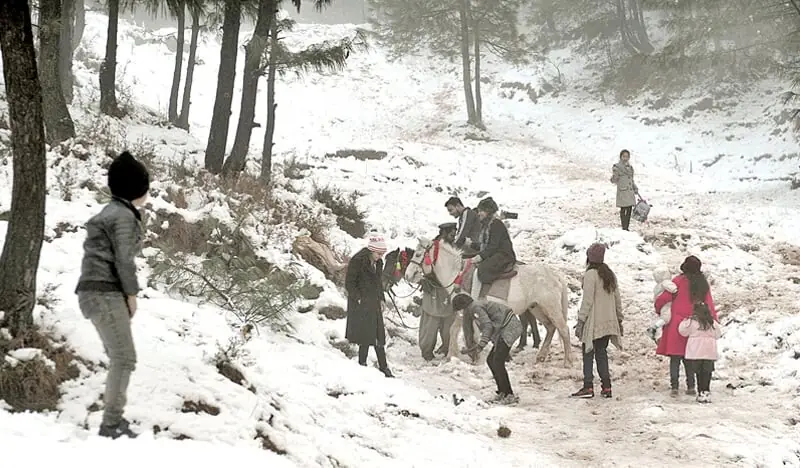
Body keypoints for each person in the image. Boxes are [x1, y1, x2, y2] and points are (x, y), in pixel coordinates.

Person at [75, 151, 149, 439]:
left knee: (120, 357)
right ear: (136, 188)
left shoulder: (111, 212)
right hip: (104, 292)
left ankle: (112, 419)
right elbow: (124, 260)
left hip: (95, 292)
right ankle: (111, 425)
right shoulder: (123, 216)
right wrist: (131, 295)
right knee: (124, 358)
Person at [654, 255, 717, 396]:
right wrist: (713, 321)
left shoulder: (677, 281)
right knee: (690, 357)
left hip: (676, 325)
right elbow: (709, 303)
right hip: (695, 323)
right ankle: (691, 386)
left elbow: (663, 299)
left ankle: (675, 386)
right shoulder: (702, 284)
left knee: (675, 358)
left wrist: (660, 311)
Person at [571, 243, 624, 399]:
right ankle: (606, 387)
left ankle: (588, 387)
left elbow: (587, 301)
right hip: (608, 322)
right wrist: (619, 319)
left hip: (594, 322)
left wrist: (581, 321)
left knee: (588, 353)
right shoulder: (609, 274)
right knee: (602, 353)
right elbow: (617, 299)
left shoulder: (590, 275)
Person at [452, 293, 522, 404]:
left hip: (509, 327)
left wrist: (481, 345)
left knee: (498, 361)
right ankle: (502, 392)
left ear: (463, 307)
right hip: (505, 328)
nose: (460, 314)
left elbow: (488, 325)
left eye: (459, 310)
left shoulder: (475, 308)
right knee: (491, 360)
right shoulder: (474, 306)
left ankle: (509, 394)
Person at [345, 235, 394, 378]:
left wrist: (382, 299)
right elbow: (350, 283)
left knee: (379, 336)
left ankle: (384, 366)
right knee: (364, 337)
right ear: (371, 250)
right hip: (360, 304)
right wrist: (358, 298)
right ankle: (362, 364)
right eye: (378, 254)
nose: (380, 257)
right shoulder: (357, 261)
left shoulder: (378, 263)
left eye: (382, 254)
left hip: (373, 302)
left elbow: (378, 282)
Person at [467, 197, 516, 299]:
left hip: (503, 255)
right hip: (495, 254)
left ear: (488, 211)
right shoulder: (486, 226)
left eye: (481, 211)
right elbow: (484, 245)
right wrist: (471, 245)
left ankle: (474, 299)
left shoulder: (496, 224)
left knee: (480, 270)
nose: (479, 213)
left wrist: (479, 257)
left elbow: (492, 246)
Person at [678, 302, 722, 403]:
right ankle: (706, 391)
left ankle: (700, 392)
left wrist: (684, 321)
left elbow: (682, 331)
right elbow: (718, 334)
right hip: (709, 350)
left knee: (698, 372)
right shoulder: (712, 322)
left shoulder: (691, 322)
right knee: (707, 372)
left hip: (696, 351)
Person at [416, 275, 455, 361]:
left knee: (448, 328)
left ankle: (447, 348)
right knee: (430, 326)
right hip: (432, 293)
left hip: (449, 292)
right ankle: (427, 351)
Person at [646, 266, 678, 343]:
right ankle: (654, 328)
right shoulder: (665, 282)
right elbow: (673, 289)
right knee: (666, 318)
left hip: (660, 304)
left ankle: (658, 334)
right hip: (667, 303)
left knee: (664, 317)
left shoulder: (657, 286)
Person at [610, 149, 639, 231]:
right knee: (623, 209)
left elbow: (631, 180)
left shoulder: (630, 167)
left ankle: (627, 227)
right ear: (620, 157)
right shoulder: (617, 167)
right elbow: (614, 179)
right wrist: (614, 177)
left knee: (629, 209)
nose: (625, 158)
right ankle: (624, 227)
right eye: (624, 156)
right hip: (622, 190)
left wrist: (635, 187)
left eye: (627, 156)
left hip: (629, 191)